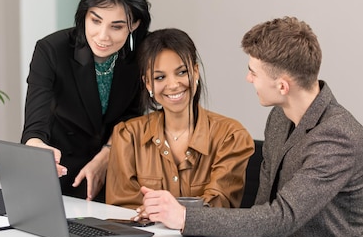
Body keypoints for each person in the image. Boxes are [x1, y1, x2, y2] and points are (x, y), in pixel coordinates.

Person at [135, 17, 363, 237]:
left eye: (253, 72)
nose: (248, 79)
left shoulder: (338, 137)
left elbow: (282, 217)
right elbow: (263, 208)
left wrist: (185, 217)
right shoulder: (280, 119)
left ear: (282, 86)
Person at [21, 0, 151, 201]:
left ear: (135, 24)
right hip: (60, 176)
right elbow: (35, 122)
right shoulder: (52, 50)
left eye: (116, 27)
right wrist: (37, 146)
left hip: (118, 176)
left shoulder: (143, 54)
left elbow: (134, 117)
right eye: (96, 20)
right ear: (84, 15)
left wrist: (106, 155)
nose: (103, 36)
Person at [106, 28, 254, 209]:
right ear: (148, 83)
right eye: (160, 77)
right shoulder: (128, 135)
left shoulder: (231, 136)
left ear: (196, 72)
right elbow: (122, 208)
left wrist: (167, 212)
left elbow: (219, 205)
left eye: (182, 72)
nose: (173, 85)